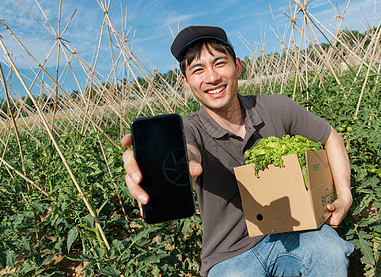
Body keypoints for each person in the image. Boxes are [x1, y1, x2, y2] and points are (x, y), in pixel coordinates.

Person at [122, 25, 354, 276]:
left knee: (329, 252)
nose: (212, 78)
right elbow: (187, 152)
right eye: (198, 70)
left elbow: (330, 136)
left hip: (292, 232)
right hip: (229, 256)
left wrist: (345, 195)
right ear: (186, 83)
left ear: (238, 66)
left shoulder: (277, 108)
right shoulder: (188, 129)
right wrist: (172, 166)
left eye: (220, 63)